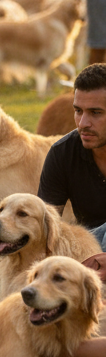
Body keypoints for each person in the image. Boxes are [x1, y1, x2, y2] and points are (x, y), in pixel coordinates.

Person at [38, 64, 106, 238]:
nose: (83, 123)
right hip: (90, 248)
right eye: (78, 111)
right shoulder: (62, 153)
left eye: (95, 112)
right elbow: (45, 229)